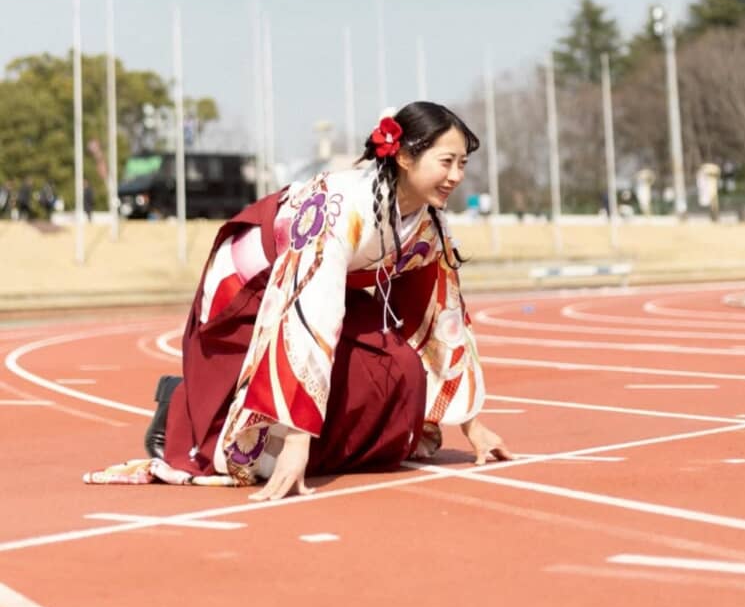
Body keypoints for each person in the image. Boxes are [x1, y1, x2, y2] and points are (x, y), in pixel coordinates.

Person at [86, 102, 513, 499]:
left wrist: (472, 423)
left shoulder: (429, 222)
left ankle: (293, 434)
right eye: (446, 162)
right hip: (251, 287)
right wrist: (295, 441)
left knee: (397, 368)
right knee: (257, 458)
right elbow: (311, 319)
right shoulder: (338, 209)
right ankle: (181, 412)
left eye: (463, 163)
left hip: (317, 286)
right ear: (404, 157)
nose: (456, 175)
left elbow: (442, 318)